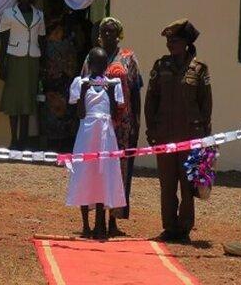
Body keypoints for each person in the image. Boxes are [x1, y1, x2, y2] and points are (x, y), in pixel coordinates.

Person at [145, 19, 211, 244]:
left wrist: (205, 137)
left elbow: (206, 105)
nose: (170, 44)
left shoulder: (199, 70)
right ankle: (169, 227)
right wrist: (151, 130)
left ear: (186, 43)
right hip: (164, 134)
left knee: (188, 184)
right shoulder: (161, 66)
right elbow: (151, 100)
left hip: (190, 137)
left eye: (174, 40)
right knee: (167, 184)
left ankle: (184, 229)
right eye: (168, 41)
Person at [80, 17, 142, 235]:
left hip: (122, 126)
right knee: (96, 170)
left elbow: (136, 91)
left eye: (112, 31)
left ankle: (113, 220)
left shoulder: (128, 58)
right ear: (99, 34)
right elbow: (83, 88)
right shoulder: (91, 57)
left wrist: (136, 122)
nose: (108, 34)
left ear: (119, 34)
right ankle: (95, 220)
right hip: (97, 125)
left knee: (118, 172)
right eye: (104, 31)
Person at [66, 48, 127, 239]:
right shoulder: (80, 83)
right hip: (87, 133)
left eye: (103, 64)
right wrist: (84, 91)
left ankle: (100, 222)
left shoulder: (113, 84)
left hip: (105, 134)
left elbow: (114, 111)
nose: (99, 67)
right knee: (85, 173)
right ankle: (85, 224)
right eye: (96, 63)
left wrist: (110, 92)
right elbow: (80, 114)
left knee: (103, 174)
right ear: (89, 64)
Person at [0, 0, 45, 149]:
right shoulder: (8, 14)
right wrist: (2, 64)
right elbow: (4, 40)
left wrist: (43, 63)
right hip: (14, 59)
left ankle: (23, 139)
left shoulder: (39, 15)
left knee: (28, 99)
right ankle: (14, 139)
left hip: (32, 60)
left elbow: (42, 40)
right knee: (14, 99)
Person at [39, 0, 81, 153]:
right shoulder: (45, 20)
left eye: (59, 0)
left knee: (68, 105)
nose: (56, 4)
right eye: (54, 1)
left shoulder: (70, 20)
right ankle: (52, 142)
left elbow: (77, 42)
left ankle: (66, 142)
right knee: (51, 105)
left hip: (67, 70)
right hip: (51, 69)